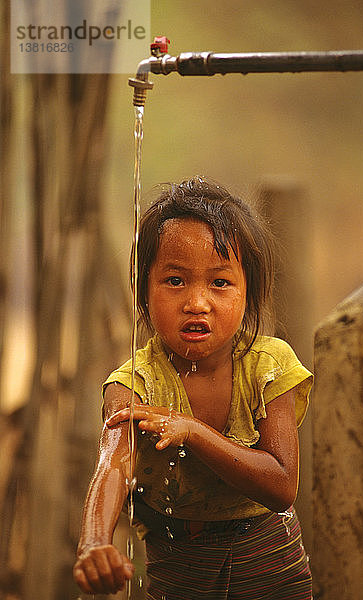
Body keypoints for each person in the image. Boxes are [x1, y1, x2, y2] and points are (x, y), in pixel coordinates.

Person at [73, 176, 313, 599]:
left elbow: (280, 486)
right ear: (143, 293)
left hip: (269, 560)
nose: (197, 302)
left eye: (219, 283)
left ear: (248, 294)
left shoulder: (268, 366)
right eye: (175, 281)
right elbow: (112, 464)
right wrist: (94, 541)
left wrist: (194, 432)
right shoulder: (135, 385)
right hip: (178, 567)